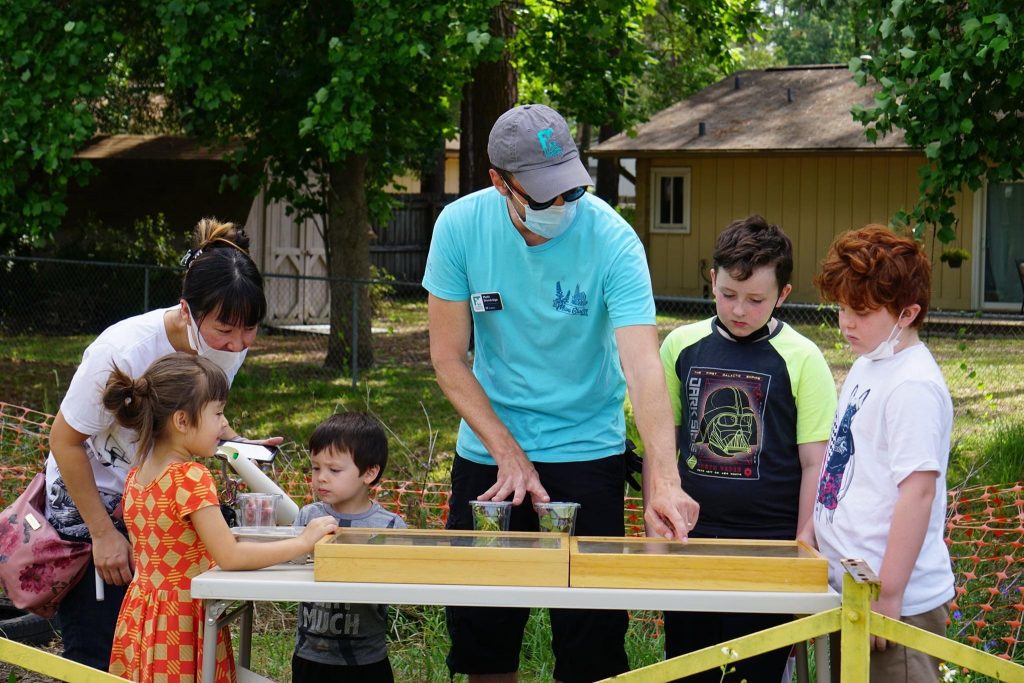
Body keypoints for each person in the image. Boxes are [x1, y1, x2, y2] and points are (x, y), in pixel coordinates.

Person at [422, 102, 698, 682]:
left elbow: (644, 367)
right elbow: (447, 359)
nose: (564, 205)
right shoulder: (459, 227)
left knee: (591, 645)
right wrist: (507, 451)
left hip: (587, 453)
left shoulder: (613, 240)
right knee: (484, 639)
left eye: (572, 189)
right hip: (489, 457)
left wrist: (666, 481)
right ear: (501, 183)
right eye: (546, 195)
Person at [45, 218, 274, 669]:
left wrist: (232, 441)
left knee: (159, 642)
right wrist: (103, 534)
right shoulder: (121, 352)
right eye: (226, 329)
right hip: (96, 497)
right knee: (98, 649)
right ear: (187, 311)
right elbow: (63, 441)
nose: (237, 343)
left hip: (160, 499)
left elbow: (193, 414)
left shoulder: (230, 343)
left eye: (250, 328)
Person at [658, 215, 836, 682]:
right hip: (690, 541)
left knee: (754, 672)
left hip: (770, 546)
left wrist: (803, 542)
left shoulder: (803, 358)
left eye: (756, 300)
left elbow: (815, 462)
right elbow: (662, 443)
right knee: (686, 669)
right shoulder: (680, 345)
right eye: (727, 294)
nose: (739, 310)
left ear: (783, 295)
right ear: (712, 279)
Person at [102, 353, 337, 683]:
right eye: (217, 413)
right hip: (183, 617)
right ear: (182, 421)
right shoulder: (190, 477)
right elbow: (230, 555)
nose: (224, 424)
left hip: (143, 616)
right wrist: (303, 542)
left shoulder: (136, 477)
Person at [813, 226, 955, 682]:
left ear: (907, 313)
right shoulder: (869, 362)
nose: (846, 323)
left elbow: (918, 493)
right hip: (854, 594)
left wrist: (889, 593)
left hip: (894, 607)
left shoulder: (912, 385)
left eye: (861, 312)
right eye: (841, 308)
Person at [290, 412, 406, 683]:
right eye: (315, 468)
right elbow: (290, 568)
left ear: (369, 472)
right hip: (310, 655)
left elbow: (400, 582)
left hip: (367, 659)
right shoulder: (308, 517)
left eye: (334, 470)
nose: (321, 478)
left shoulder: (389, 526)